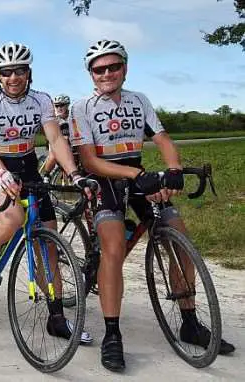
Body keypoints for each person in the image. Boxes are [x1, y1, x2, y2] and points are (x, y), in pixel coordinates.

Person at [70, 39, 235, 372]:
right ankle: (112, 335)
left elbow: (161, 138)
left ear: (125, 68)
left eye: (113, 66)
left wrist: (173, 170)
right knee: (114, 248)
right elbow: (89, 161)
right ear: (91, 74)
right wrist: (136, 175)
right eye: (99, 69)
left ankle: (189, 322)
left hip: (138, 175)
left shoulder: (139, 100)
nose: (107, 73)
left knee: (179, 237)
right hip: (107, 179)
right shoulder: (81, 107)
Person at [0, 42, 94, 344]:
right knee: (13, 217)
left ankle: (56, 318)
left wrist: (75, 174)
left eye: (19, 71)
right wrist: (1, 173)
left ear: (29, 73)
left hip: (28, 167)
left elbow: (55, 140)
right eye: (6, 72)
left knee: (49, 247)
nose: (13, 77)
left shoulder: (41, 100)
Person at [39, 94, 74, 176]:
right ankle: (46, 175)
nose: (59, 108)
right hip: (55, 140)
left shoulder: (72, 117)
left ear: (67, 105)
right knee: (54, 156)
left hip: (70, 141)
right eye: (57, 106)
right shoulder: (53, 118)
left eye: (62, 105)